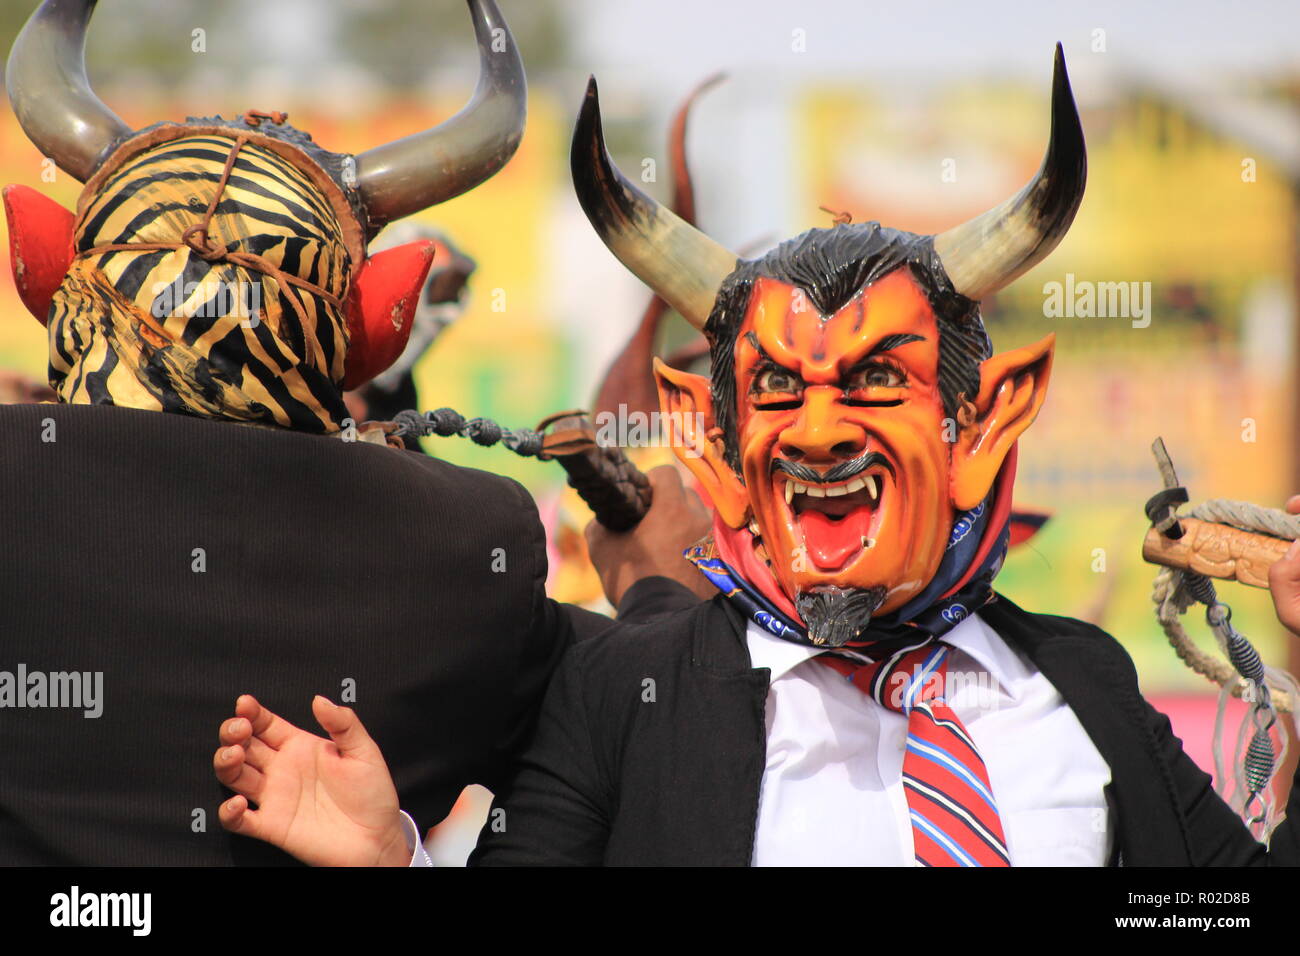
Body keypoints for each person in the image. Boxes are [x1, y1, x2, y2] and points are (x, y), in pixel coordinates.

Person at [210, 45, 1300, 866]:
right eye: (777, 391)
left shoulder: (1082, 680)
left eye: (876, 379)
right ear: (716, 443)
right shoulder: (622, 695)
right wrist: (393, 858)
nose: (820, 433)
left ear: (986, 424)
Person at [0, 0, 707, 865]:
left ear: (42, 269)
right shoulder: (463, 545)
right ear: (376, 326)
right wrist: (661, 592)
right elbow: (649, 728)